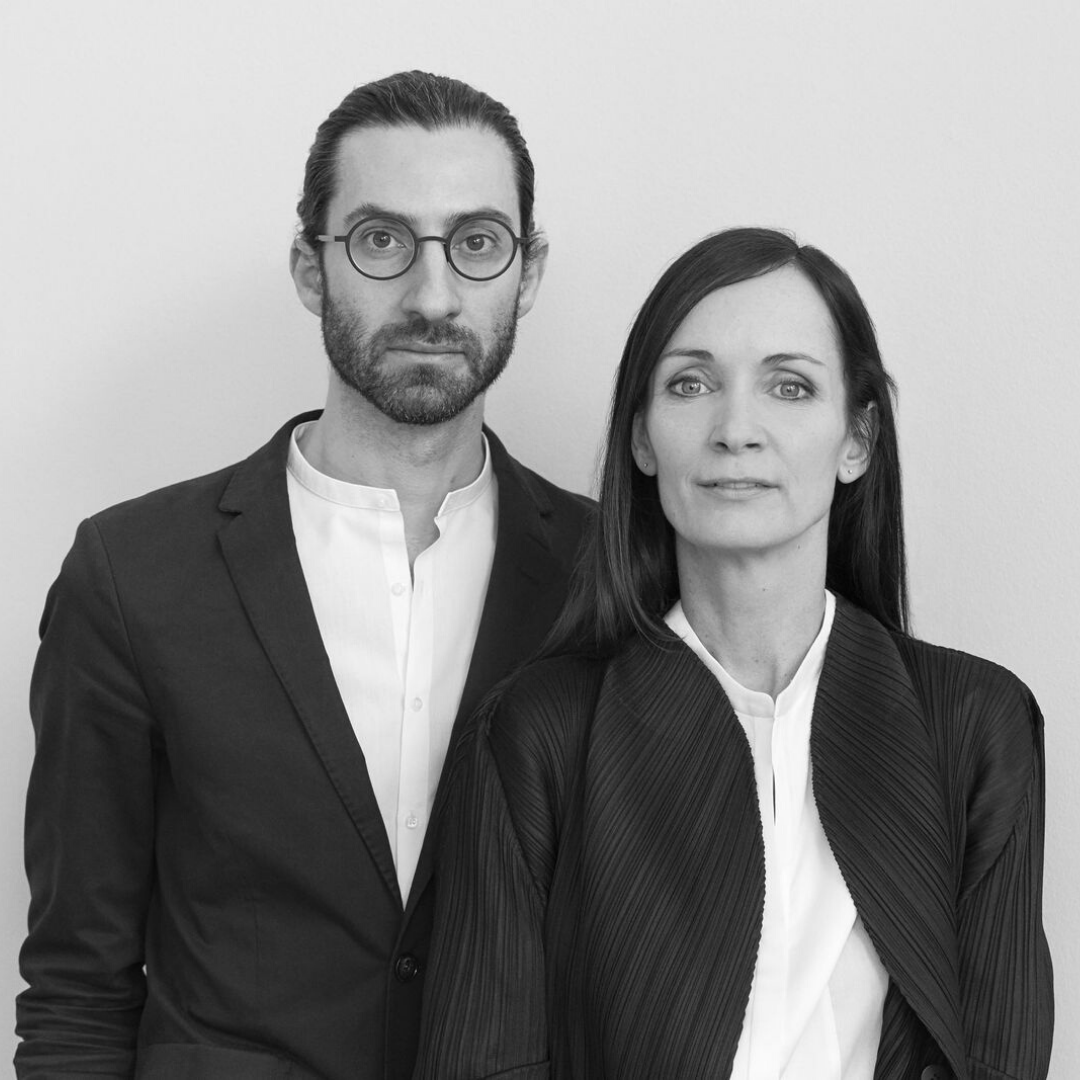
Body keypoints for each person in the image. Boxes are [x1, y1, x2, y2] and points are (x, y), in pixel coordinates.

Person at [17, 71, 592, 1080]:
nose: (432, 296)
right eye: (381, 241)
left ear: (528, 271)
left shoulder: (607, 571)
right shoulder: (133, 575)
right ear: (309, 268)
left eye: (476, 243)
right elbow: (77, 990)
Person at [414, 227, 1053, 1080]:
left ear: (857, 440)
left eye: (790, 386)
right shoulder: (536, 734)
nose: (736, 429)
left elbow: (999, 1055)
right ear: (643, 439)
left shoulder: (976, 723)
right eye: (691, 384)